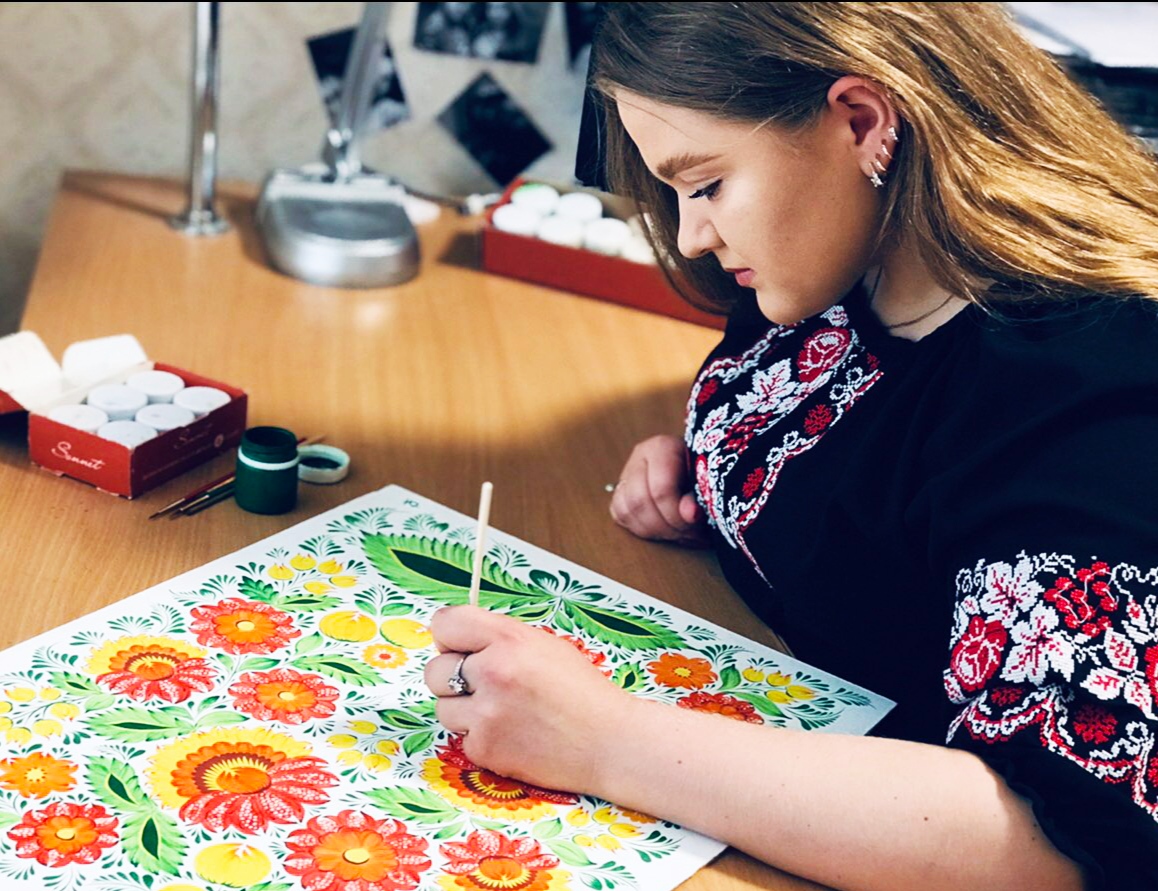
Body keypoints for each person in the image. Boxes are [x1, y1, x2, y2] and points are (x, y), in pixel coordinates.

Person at [424, 4, 1158, 889]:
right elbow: (861, 457)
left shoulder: (1089, 392)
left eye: (705, 186)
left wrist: (603, 739)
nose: (691, 235)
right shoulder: (852, 256)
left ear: (862, 122)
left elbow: (1063, 842)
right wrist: (711, 465)